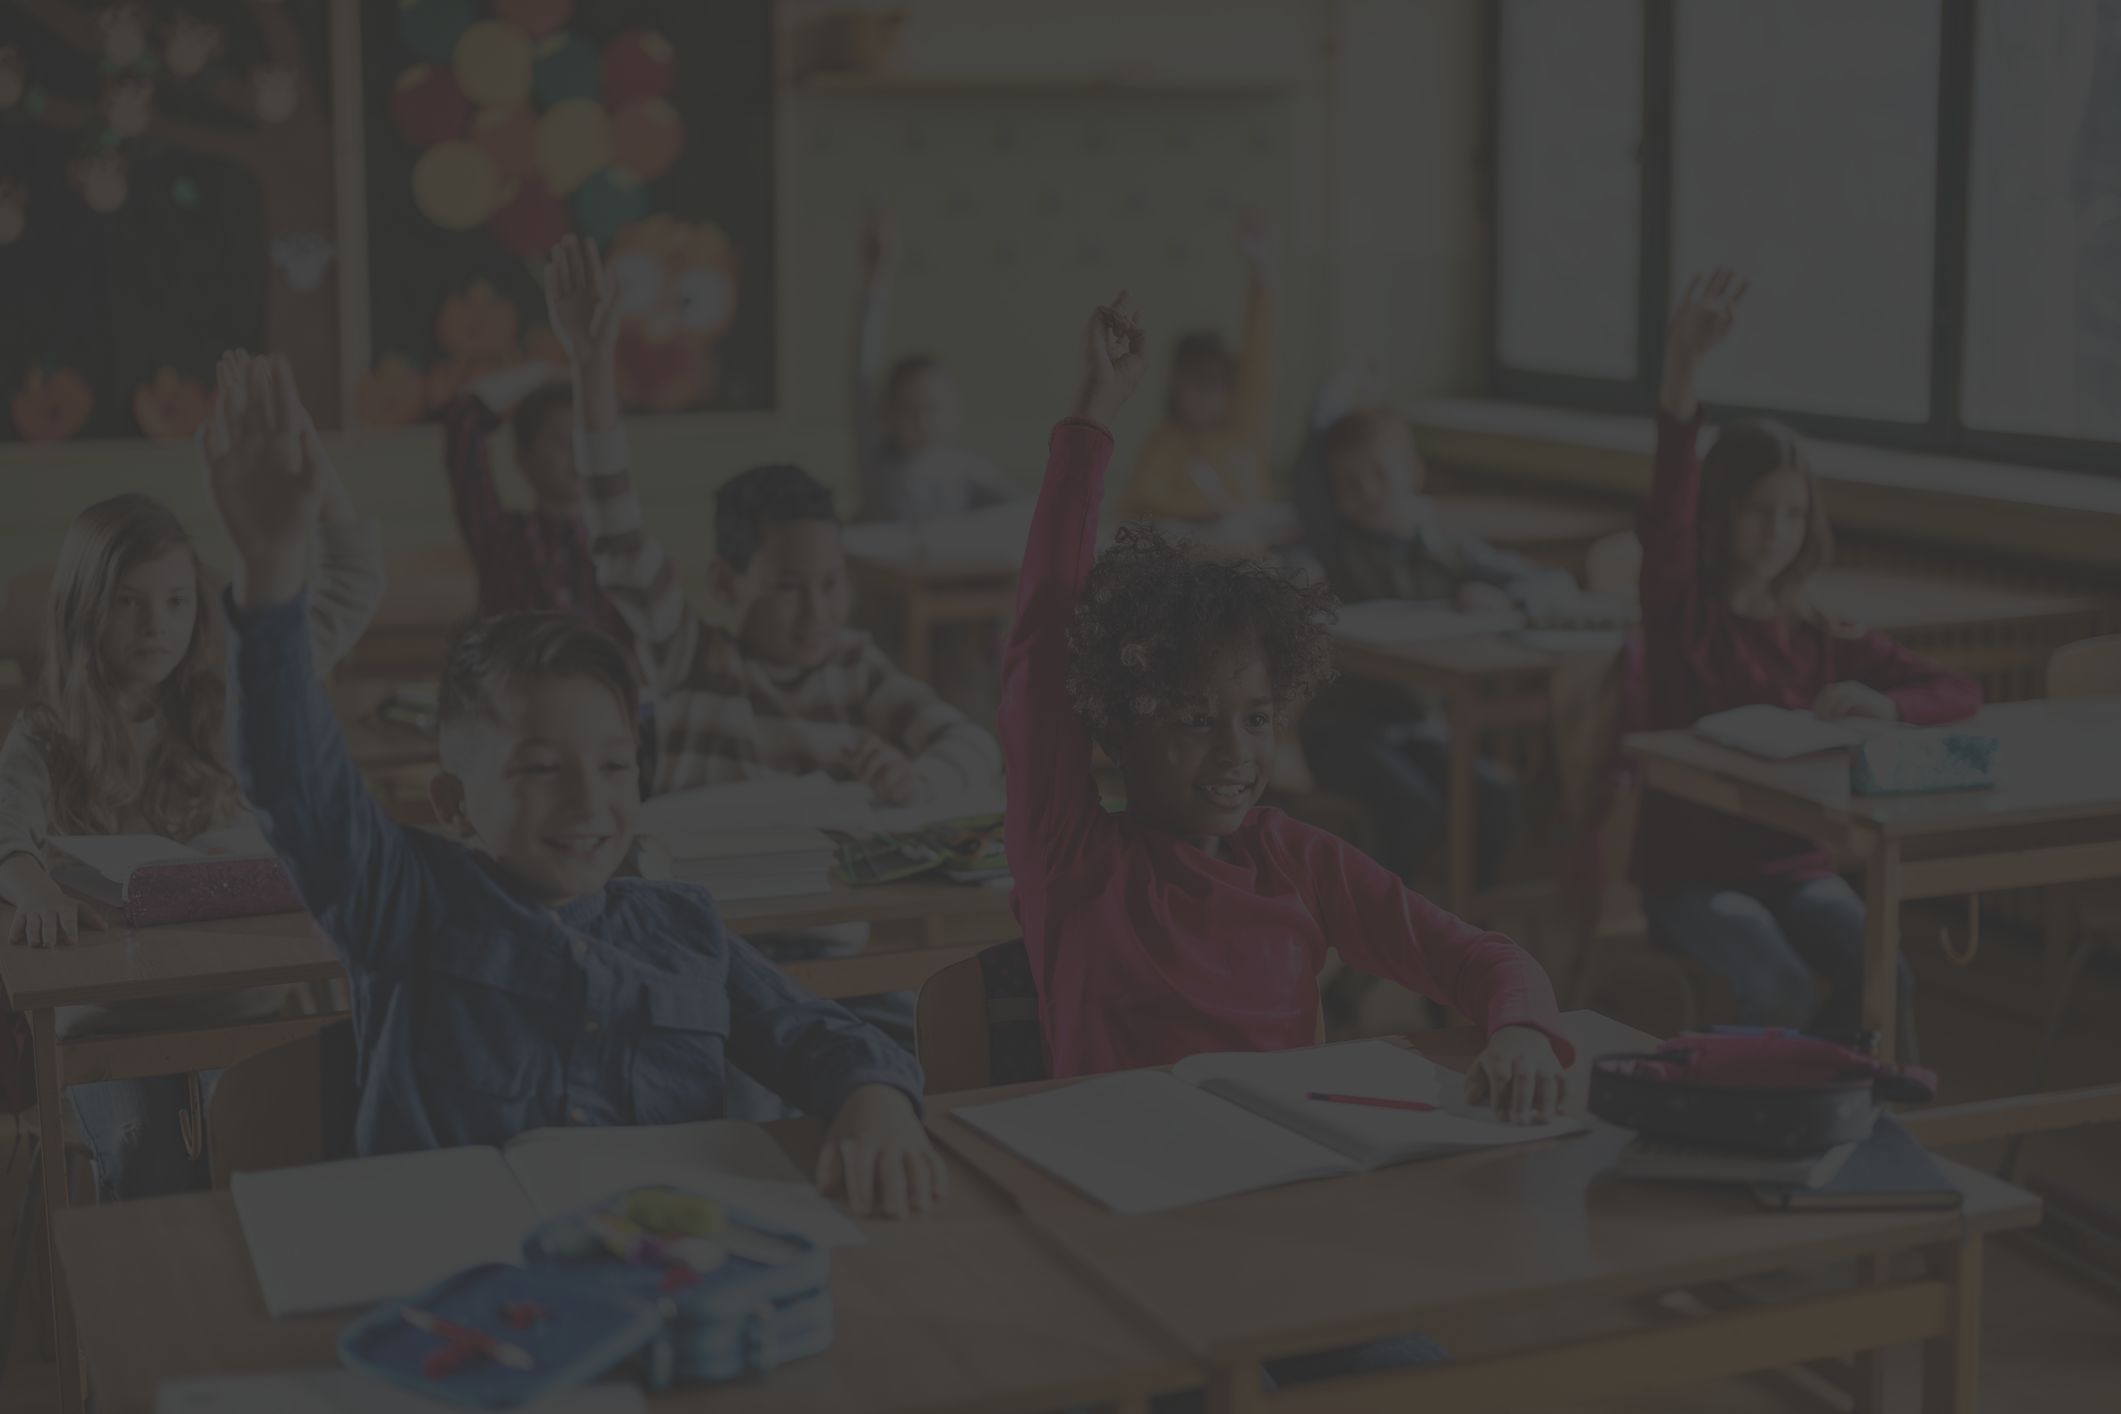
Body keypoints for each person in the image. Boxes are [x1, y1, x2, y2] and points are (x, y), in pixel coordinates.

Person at [207, 350, 944, 1217]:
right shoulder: (403, 901)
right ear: (454, 805)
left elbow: (819, 1035)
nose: (588, 803)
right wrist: (272, 569)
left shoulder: (681, 928)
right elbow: (297, 784)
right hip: (460, 1289)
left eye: (613, 765)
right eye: (539, 769)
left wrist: (875, 1100)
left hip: (657, 1281)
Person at [0, 353, 385, 1199]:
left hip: (235, 1006)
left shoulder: (239, 694)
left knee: (257, 1149)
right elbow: (7, 838)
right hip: (110, 1019)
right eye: (129, 603)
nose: (157, 626)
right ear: (80, 612)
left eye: (176, 602)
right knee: (149, 1161)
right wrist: (33, 892)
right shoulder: (45, 738)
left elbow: (351, 585)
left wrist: (311, 469)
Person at [1634, 270, 1981, 1043]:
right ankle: (1773, 1125)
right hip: (1691, 880)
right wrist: (1682, 367)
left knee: (1884, 975)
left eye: (1792, 513)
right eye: (1757, 511)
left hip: (1798, 871)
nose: (1776, 531)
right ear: (1717, 514)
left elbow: (1955, 688)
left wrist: (1884, 705)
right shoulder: (1680, 614)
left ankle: (1851, 1127)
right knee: (1781, 987)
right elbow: (1665, 508)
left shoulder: (1821, 633)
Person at [1292, 391, 1572, 887]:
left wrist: (1506, 603)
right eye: (1350, 484)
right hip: (1342, 732)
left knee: (1497, 801)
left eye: (1381, 473)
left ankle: (1465, 940)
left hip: (1423, 729)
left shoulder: (1448, 548)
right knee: (1415, 809)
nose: (1369, 492)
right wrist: (1335, 397)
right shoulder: (1335, 546)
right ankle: (1378, 942)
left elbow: (1553, 584)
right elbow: (1309, 473)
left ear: (1414, 473)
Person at [441, 362, 629, 645]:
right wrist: (543, 372)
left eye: (588, 439)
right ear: (523, 457)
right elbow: (463, 419)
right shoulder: (499, 536)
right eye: (563, 440)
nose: (579, 452)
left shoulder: (621, 547)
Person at [851, 211, 1013, 523]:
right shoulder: (876, 460)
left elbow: (1024, 507)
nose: (921, 420)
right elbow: (862, 371)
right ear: (886, 415)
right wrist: (877, 277)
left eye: (932, 409)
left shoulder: (963, 468)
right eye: (908, 409)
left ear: (955, 413)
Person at [1114, 217, 1276, 522]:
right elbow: (1136, 507)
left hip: (1249, 563)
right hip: (1186, 563)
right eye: (1195, 381)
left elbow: (1258, 356)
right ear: (1175, 386)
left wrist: (1261, 271)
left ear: (1231, 388)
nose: (1205, 393)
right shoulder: (1163, 444)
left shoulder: (1245, 431)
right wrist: (1204, 514)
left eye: (1216, 383)